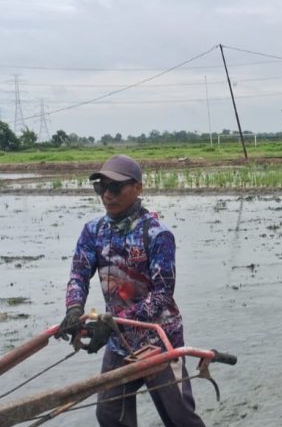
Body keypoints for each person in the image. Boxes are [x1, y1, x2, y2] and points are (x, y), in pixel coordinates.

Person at [55, 154, 206, 427]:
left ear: (137, 188)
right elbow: (79, 272)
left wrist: (114, 325)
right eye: (101, 187)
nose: (107, 196)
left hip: (159, 340)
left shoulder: (157, 235)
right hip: (119, 340)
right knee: (110, 415)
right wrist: (74, 308)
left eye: (115, 188)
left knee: (179, 418)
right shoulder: (94, 231)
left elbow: (162, 295)